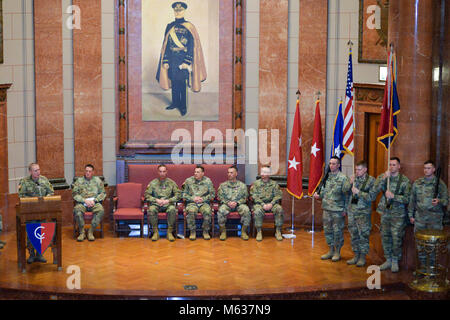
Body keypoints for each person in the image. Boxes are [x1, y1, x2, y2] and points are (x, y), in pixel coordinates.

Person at [156, 1, 207, 116]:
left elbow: (191, 46)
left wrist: (186, 62)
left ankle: (183, 106)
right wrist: (166, 61)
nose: (178, 12)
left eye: (180, 10)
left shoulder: (189, 27)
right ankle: (174, 103)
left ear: (184, 11)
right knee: (174, 82)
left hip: (183, 60)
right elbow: (166, 46)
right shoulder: (169, 26)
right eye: (176, 10)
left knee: (182, 84)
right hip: (172, 60)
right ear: (174, 11)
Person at [371, 157, 411, 273]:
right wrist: (383, 178)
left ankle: (395, 260)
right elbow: (374, 191)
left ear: (399, 166)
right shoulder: (384, 177)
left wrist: (394, 196)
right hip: (385, 212)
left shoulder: (404, 181)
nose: (391, 167)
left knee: (396, 238)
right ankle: (388, 259)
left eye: (394, 165)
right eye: (390, 164)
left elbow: (407, 199)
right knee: (385, 236)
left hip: (398, 214)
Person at [314, 156, 351, 262]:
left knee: (337, 231)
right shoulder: (327, 177)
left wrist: (345, 209)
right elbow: (323, 191)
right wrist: (318, 194)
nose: (331, 165)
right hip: (326, 209)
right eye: (330, 163)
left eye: (334, 163)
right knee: (327, 230)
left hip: (338, 210)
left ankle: (337, 252)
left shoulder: (343, 178)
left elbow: (348, 195)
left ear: (339, 165)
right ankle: (330, 250)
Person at [18, 163, 54, 263]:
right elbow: (21, 195)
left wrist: (45, 199)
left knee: (41, 233)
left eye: (38, 170)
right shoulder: (24, 182)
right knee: (31, 233)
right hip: (30, 212)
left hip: (43, 211)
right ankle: (31, 255)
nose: (38, 172)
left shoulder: (44, 180)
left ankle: (39, 254)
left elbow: (51, 192)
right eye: (35, 170)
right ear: (30, 172)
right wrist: (33, 200)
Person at [346, 161, 376, 267]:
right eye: (356, 169)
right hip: (352, 211)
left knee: (363, 235)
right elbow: (344, 191)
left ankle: (362, 257)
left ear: (365, 169)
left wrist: (358, 192)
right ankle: (356, 255)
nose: (356, 172)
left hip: (363, 212)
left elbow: (372, 197)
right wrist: (349, 183)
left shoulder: (371, 180)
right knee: (354, 234)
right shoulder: (354, 178)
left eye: (359, 169)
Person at [408, 160, 448, 231]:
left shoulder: (440, 184)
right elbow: (412, 200)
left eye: (428, 168)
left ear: (433, 169)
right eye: (425, 168)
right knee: (419, 240)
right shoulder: (417, 183)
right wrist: (411, 215)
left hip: (434, 219)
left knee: (434, 241)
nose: (426, 170)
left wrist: (439, 201)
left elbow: (446, 201)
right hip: (420, 218)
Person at [145, 164, 181, 242]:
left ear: (166, 172)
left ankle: (169, 232)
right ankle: (155, 232)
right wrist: (156, 200)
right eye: (160, 171)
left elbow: (178, 195)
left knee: (172, 209)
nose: (162, 173)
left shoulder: (171, 183)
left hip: (168, 204)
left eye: (164, 171)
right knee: (151, 209)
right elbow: (147, 195)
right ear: (158, 172)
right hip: (156, 204)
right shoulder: (153, 183)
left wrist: (168, 200)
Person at [72, 164, 106, 242]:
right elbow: (74, 194)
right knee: (77, 210)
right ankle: (82, 232)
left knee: (101, 210)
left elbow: (103, 193)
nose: (88, 173)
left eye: (89, 171)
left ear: (93, 172)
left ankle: (91, 231)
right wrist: (84, 200)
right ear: (84, 171)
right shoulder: (79, 181)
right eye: (86, 171)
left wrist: (95, 200)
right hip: (82, 203)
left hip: (94, 203)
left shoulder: (98, 181)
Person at [250, 166, 284, 241]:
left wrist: (271, 204)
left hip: (272, 204)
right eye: (262, 172)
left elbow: (278, 195)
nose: (262, 174)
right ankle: (259, 231)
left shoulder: (274, 184)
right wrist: (263, 204)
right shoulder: (256, 184)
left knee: (279, 209)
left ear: (269, 174)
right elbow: (254, 196)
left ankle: (278, 231)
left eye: (265, 172)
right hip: (260, 204)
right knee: (257, 210)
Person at [217, 166, 250, 241]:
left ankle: (243, 231)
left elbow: (245, 197)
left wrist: (237, 202)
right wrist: (228, 202)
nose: (229, 174)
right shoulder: (222, 185)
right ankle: (223, 232)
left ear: (236, 174)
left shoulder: (242, 185)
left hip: (239, 204)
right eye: (228, 172)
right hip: (226, 204)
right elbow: (220, 197)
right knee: (221, 210)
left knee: (246, 210)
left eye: (231, 173)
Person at [182, 165, 215, 240]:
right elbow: (183, 194)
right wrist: (193, 198)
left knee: (207, 211)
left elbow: (212, 194)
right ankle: (192, 231)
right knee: (191, 211)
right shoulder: (188, 181)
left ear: (203, 173)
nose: (195, 173)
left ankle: (205, 231)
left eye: (198, 172)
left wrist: (203, 199)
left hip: (204, 203)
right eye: (195, 172)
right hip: (192, 203)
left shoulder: (208, 181)